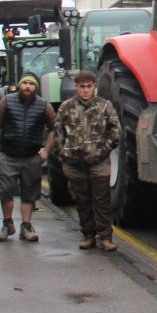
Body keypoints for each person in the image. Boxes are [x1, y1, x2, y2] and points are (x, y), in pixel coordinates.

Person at [55, 70, 122, 251]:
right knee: (82, 201)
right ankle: (88, 235)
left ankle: (106, 237)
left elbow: (115, 131)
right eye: (82, 87)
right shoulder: (66, 107)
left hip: (98, 162)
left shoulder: (104, 106)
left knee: (102, 200)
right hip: (74, 163)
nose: (85, 90)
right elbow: (58, 132)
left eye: (89, 87)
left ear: (94, 87)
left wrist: (103, 151)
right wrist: (64, 153)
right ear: (76, 87)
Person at [0, 73, 56, 243]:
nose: (28, 86)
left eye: (31, 84)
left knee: (29, 194)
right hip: (8, 156)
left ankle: (26, 227)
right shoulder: (7, 101)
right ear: (20, 85)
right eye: (25, 83)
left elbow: (53, 128)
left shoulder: (44, 105)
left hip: (31, 157)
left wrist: (46, 151)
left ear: (36, 87)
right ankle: (7, 224)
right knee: (5, 192)